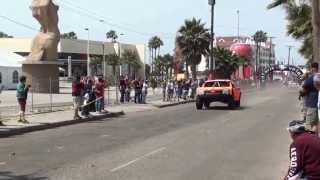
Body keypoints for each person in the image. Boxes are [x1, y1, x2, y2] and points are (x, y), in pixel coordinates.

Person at [302, 62, 319, 133]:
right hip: (316, 104)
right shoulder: (318, 76)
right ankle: (315, 140)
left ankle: (311, 142)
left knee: (308, 125)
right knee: (314, 124)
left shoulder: (312, 78)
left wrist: (305, 77)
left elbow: (303, 89)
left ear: (312, 68)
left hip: (311, 104)